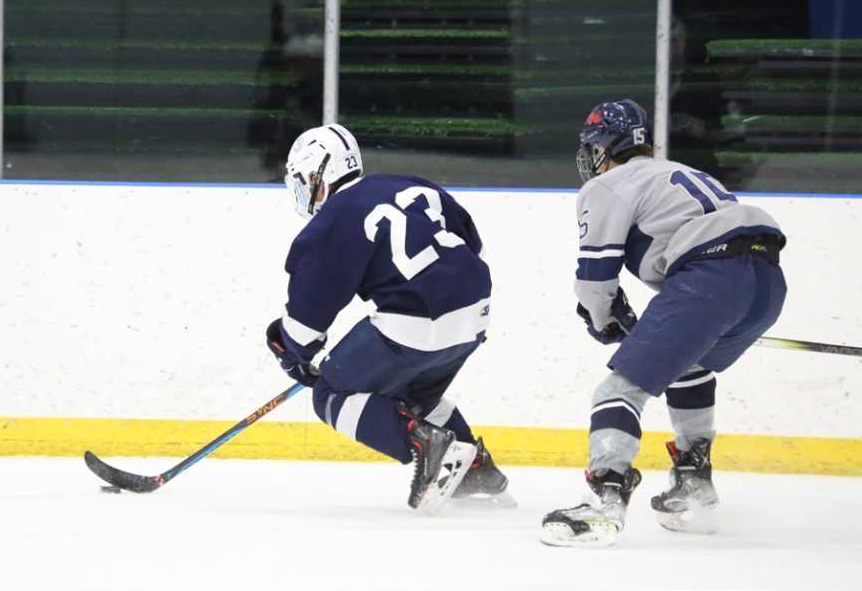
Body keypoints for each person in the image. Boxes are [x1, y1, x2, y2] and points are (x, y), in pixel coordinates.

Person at [540, 100, 787, 547]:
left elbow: (596, 279)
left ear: (603, 148)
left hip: (712, 278)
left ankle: (604, 501)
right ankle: (694, 485)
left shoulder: (608, 185)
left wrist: (604, 319)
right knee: (689, 368)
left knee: (618, 389)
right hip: (767, 281)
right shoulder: (682, 172)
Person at [263, 123, 513, 515]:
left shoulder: (334, 216)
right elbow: (470, 241)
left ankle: (425, 444)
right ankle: (475, 470)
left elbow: (309, 314)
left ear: (318, 175)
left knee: (328, 393)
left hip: (417, 321)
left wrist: (290, 348)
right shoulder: (408, 183)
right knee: (413, 397)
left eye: (300, 182)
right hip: (475, 314)